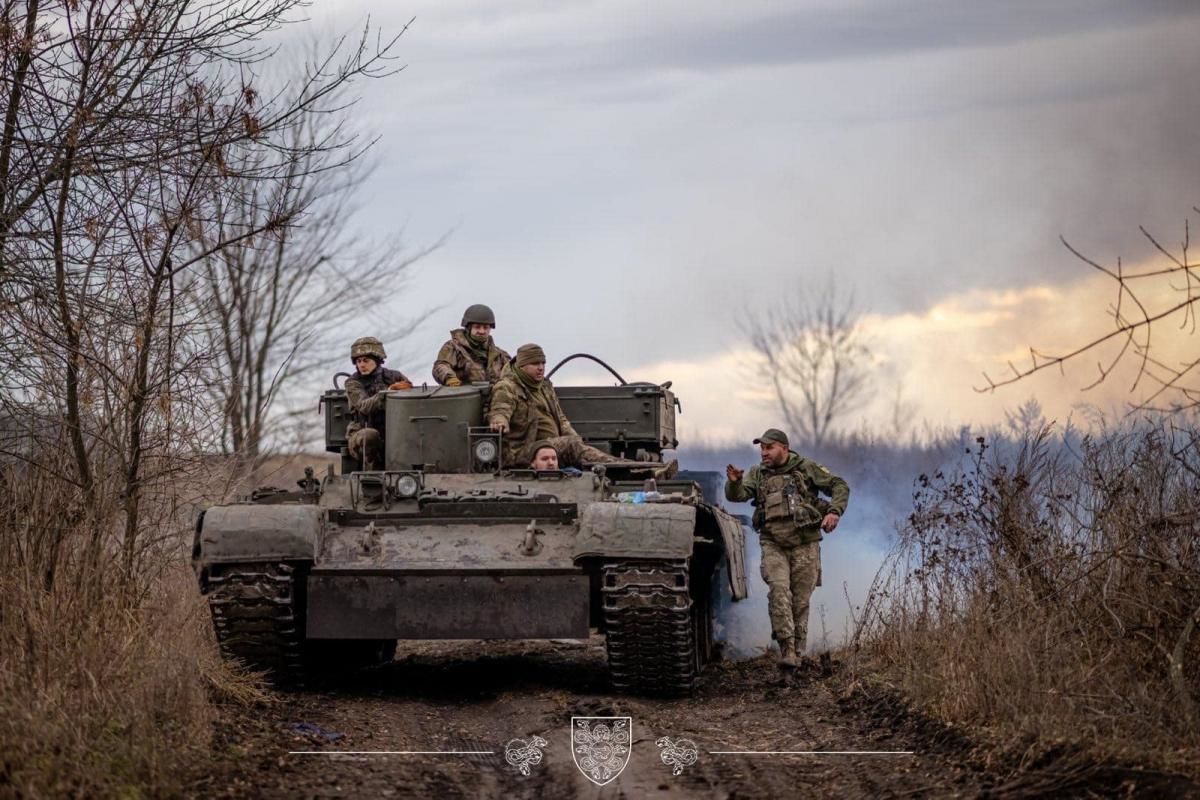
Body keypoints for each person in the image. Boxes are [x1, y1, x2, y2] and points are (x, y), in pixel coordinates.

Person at [725, 428, 849, 670]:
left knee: (800, 601)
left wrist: (834, 512)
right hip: (773, 542)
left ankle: (799, 653)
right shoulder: (758, 474)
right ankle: (787, 651)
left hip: (805, 543)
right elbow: (738, 496)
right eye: (761, 448)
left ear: (784, 447)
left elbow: (839, 485)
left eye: (769, 447)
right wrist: (735, 483)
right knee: (779, 592)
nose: (764, 453)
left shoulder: (806, 468)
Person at [488, 343, 621, 469]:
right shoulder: (507, 387)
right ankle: (621, 466)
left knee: (574, 444)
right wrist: (500, 420)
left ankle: (621, 465)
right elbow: (500, 408)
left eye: (542, 363)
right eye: (535, 364)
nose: (541, 368)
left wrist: (576, 440)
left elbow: (560, 418)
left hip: (550, 447)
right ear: (522, 366)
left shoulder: (544, 386)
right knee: (572, 446)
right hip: (522, 451)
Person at [344, 336, 412, 470]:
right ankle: (372, 475)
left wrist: (407, 389)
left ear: (377, 360)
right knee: (369, 435)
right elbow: (364, 406)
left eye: (366, 360)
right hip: (361, 436)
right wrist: (388, 392)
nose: (361, 365)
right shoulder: (353, 383)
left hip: (393, 431)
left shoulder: (393, 376)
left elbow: (410, 400)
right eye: (358, 361)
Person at [432, 304, 510, 386]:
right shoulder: (454, 347)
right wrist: (450, 378)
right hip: (464, 396)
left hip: (494, 397)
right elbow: (440, 366)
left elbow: (513, 372)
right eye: (477, 327)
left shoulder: (499, 355)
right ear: (468, 328)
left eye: (485, 327)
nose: (482, 331)